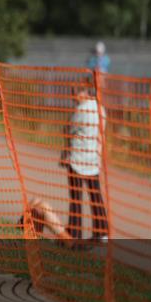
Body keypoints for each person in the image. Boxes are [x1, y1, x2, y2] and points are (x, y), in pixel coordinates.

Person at [60, 83, 108, 241]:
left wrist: (64, 154)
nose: (73, 98)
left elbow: (69, 129)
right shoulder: (101, 109)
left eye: (74, 94)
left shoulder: (81, 110)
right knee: (96, 197)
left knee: (76, 198)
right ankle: (102, 232)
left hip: (77, 160)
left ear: (83, 93)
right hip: (93, 160)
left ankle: (75, 234)